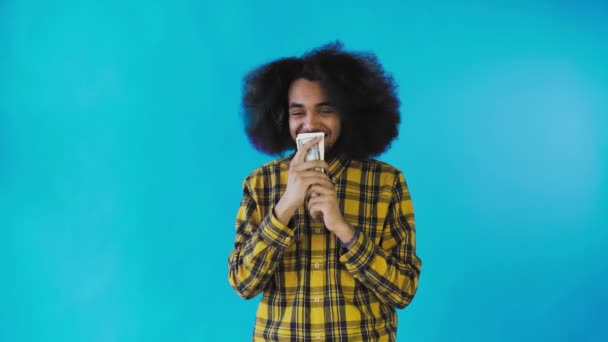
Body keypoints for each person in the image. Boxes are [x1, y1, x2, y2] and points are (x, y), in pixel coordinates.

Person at [228, 41, 421, 341]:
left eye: (325, 110)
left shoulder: (386, 183)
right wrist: (286, 207)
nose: (310, 123)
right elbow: (243, 283)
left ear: (347, 115)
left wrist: (344, 230)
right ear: (282, 118)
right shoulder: (260, 184)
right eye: (298, 112)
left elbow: (403, 290)